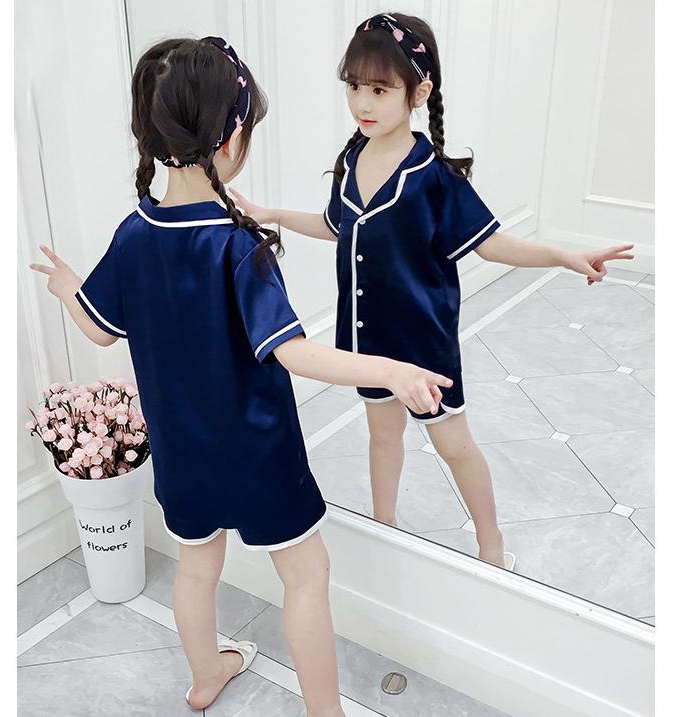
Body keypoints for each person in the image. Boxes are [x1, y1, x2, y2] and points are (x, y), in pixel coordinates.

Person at [29, 36, 451, 715]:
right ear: (229, 140)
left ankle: (205, 677)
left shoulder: (135, 233)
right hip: (259, 456)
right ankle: (325, 711)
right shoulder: (234, 245)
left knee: (197, 566)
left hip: (182, 454)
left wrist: (67, 286)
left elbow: (102, 329)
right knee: (306, 576)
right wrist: (390, 368)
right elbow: (293, 353)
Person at [230, 13, 634, 571]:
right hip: (365, 343)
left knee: (453, 445)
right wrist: (272, 213)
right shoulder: (352, 159)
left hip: (423, 342)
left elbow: (492, 244)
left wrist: (562, 255)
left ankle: (491, 544)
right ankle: (386, 525)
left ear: (419, 92)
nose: (362, 102)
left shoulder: (436, 177)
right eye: (354, 86)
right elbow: (336, 226)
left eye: (379, 90)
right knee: (382, 435)